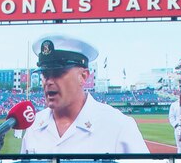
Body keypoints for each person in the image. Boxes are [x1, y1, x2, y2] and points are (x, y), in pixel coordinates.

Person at [20, 35, 149, 155]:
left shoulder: (119, 126)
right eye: (45, 74)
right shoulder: (33, 126)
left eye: (58, 73)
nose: (49, 81)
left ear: (83, 76)